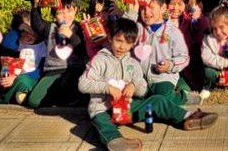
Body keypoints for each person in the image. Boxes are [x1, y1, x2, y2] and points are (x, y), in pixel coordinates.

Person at [79, 18, 217, 151]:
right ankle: (115, 141)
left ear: (133, 43)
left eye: (128, 42)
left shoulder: (132, 63)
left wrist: (133, 86)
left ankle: (187, 117)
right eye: (119, 41)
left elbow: (143, 86)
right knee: (100, 119)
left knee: (157, 100)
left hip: (126, 109)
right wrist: (106, 87)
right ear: (110, 38)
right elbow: (83, 83)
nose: (122, 46)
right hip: (104, 109)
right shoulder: (100, 59)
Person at [125, 0, 197, 106]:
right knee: (128, 101)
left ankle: (183, 97)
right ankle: (149, 104)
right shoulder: (137, 29)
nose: (146, 12)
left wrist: (170, 64)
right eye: (143, 8)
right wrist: (131, 13)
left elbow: (184, 58)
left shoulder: (173, 32)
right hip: (139, 79)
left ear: (163, 8)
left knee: (163, 97)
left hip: (162, 78)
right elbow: (122, 35)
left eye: (151, 8)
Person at [25, 0, 87, 108]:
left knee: (68, 84)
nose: (65, 15)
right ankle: (57, 100)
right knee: (33, 101)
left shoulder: (81, 28)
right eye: (60, 12)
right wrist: (36, 4)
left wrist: (72, 36)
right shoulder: (50, 28)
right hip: (53, 71)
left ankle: (72, 100)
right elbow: (37, 24)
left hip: (73, 70)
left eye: (69, 11)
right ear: (54, 15)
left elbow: (83, 50)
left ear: (75, 10)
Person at [0, 9, 46, 105]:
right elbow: (6, 43)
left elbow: (38, 71)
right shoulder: (20, 42)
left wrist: (15, 78)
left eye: (30, 29)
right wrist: (18, 29)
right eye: (22, 31)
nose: (26, 34)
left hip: (29, 79)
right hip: (13, 74)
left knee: (23, 82)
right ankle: (17, 96)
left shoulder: (43, 45)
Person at [167, 0, 208, 92]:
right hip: (166, 66)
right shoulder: (160, 21)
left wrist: (199, 18)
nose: (175, 8)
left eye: (180, 4)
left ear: (185, 6)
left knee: (183, 88)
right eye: (171, 3)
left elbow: (200, 37)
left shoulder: (188, 22)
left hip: (185, 69)